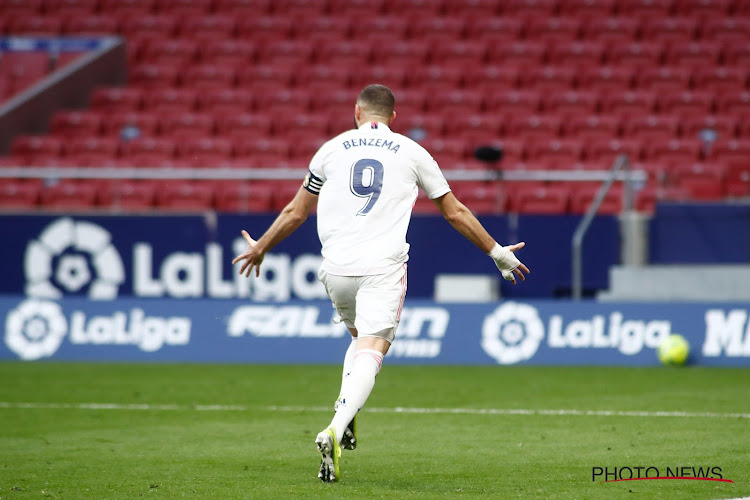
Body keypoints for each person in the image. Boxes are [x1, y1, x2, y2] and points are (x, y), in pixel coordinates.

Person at [232, 84, 530, 483]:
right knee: (374, 347)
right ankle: (335, 429)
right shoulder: (413, 152)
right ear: (394, 117)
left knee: (358, 342)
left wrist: (261, 247)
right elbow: (454, 212)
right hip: (383, 267)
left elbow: (295, 211)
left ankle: (347, 412)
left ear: (356, 111)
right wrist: (497, 252)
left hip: (335, 269)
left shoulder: (331, 150)